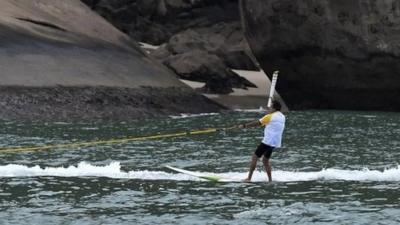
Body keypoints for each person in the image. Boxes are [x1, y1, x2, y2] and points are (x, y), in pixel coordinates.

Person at [238, 100, 286, 182]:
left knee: (254, 157)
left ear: (274, 108)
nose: (269, 108)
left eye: (270, 107)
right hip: (275, 143)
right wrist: (269, 111)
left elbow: (257, 123)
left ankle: (249, 178)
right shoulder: (282, 116)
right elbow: (272, 123)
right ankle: (270, 180)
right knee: (265, 160)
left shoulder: (269, 117)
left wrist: (244, 126)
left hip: (267, 141)